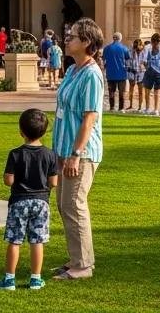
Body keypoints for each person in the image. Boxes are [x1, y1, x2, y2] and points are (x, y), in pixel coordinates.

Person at [52, 18, 104, 280]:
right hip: (63, 150)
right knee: (65, 205)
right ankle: (76, 259)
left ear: (86, 42)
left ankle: (83, 265)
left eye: (72, 36)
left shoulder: (92, 75)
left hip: (80, 154)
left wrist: (75, 154)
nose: (67, 39)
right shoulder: (73, 70)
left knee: (74, 204)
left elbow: (89, 118)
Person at [0, 109, 60, 291]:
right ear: (45, 131)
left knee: (14, 241)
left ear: (21, 131)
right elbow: (54, 182)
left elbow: (9, 180)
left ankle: (9, 279)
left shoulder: (15, 154)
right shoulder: (50, 155)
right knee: (37, 241)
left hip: (19, 202)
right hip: (41, 202)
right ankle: (36, 278)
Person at [101, 32, 132, 112]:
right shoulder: (124, 48)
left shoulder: (107, 48)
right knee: (121, 92)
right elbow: (128, 59)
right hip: (121, 73)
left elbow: (103, 60)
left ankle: (112, 107)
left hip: (110, 73)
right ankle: (121, 108)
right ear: (120, 38)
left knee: (111, 91)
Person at [142, 33, 160, 115]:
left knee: (147, 90)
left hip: (150, 71)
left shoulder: (147, 48)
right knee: (157, 91)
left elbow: (144, 61)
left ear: (151, 40)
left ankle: (148, 108)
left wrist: (147, 68)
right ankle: (156, 109)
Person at [127, 38, 146, 111]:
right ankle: (131, 105)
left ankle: (140, 106)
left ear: (142, 45)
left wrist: (144, 65)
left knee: (141, 90)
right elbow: (128, 62)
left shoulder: (144, 52)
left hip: (141, 73)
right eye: (136, 47)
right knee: (131, 89)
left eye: (139, 47)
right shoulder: (131, 51)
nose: (137, 49)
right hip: (132, 72)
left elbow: (146, 62)